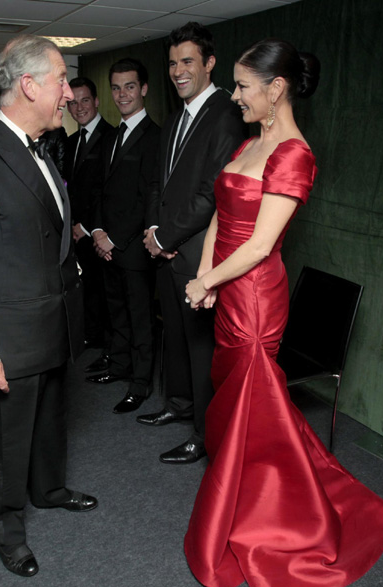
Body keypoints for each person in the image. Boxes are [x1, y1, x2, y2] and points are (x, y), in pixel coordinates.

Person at [183, 38, 383, 587]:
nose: (235, 95)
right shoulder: (251, 143)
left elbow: (258, 246)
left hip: (254, 297)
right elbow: (219, 218)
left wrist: (207, 280)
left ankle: (272, 514)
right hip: (227, 288)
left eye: (243, 86)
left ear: (275, 89)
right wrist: (205, 280)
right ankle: (245, 494)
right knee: (239, 404)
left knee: (255, 404)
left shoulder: (293, 154)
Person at [0, 35, 97, 578]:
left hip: (50, 323)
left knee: (53, 416)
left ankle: (48, 489)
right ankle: (6, 528)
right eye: (60, 81)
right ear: (29, 86)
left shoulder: (42, 148)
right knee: (6, 439)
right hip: (8, 335)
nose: (69, 93)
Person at [139, 22, 246, 464]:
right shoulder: (176, 117)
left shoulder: (227, 113)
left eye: (187, 61)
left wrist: (166, 236)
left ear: (209, 63)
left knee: (202, 348)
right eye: (172, 63)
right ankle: (179, 406)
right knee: (177, 341)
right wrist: (153, 234)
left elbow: (212, 192)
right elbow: (159, 187)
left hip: (200, 254)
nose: (178, 71)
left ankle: (203, 435)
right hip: (167, 251)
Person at [87, 58, 160, 414]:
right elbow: (101, 189)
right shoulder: (112, 136)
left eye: (129, 86)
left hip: (131, 248)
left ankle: (141, 384)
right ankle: (118, 366)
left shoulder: (155, 137)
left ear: (143, 89)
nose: (122, 94)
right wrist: (98, 231)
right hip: (107, 244)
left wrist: (114, 238)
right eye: (116, 88)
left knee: (139, 317)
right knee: (115, 311)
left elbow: (147, 198)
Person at [64, 77, 114, 371]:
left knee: (106, 294)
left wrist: (87, 226)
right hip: (75, 234)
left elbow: (107, 191)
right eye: (73, 102)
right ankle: (92, 337)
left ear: (96, 101)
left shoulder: (111, 137)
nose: (79, 107)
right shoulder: (71, 142)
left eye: (84, 100)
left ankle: (110, 349)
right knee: (87, 290)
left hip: (98, 231)